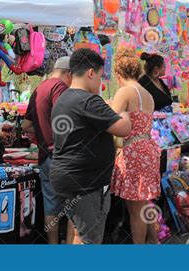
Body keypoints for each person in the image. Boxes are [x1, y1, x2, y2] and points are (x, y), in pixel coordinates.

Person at [50, 48, 132, 244]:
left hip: (67, 177)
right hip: (85, 181)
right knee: (91, 239)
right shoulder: (88, 100)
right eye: (100, 77)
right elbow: (123, 128)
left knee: (81, 233)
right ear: (90, 73)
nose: (100, 83)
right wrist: (124, 112)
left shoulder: (64, 98)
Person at [109, 47, 161, 244]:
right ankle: (153, 242)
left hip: (133, 151)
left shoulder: (125, 91)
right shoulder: (146, 93)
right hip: (147, 147)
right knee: (144, 202)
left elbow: (109, 119)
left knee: (134, 209)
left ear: (117, 73)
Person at [22, 56, 74, 244]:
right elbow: (65, 119)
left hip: (45, 157)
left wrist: (43, 133)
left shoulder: (39, 88)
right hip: (62, 156)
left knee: (51, 206)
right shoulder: (60, 87)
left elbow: (26, 125)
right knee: (72, 207)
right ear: (69, 74)